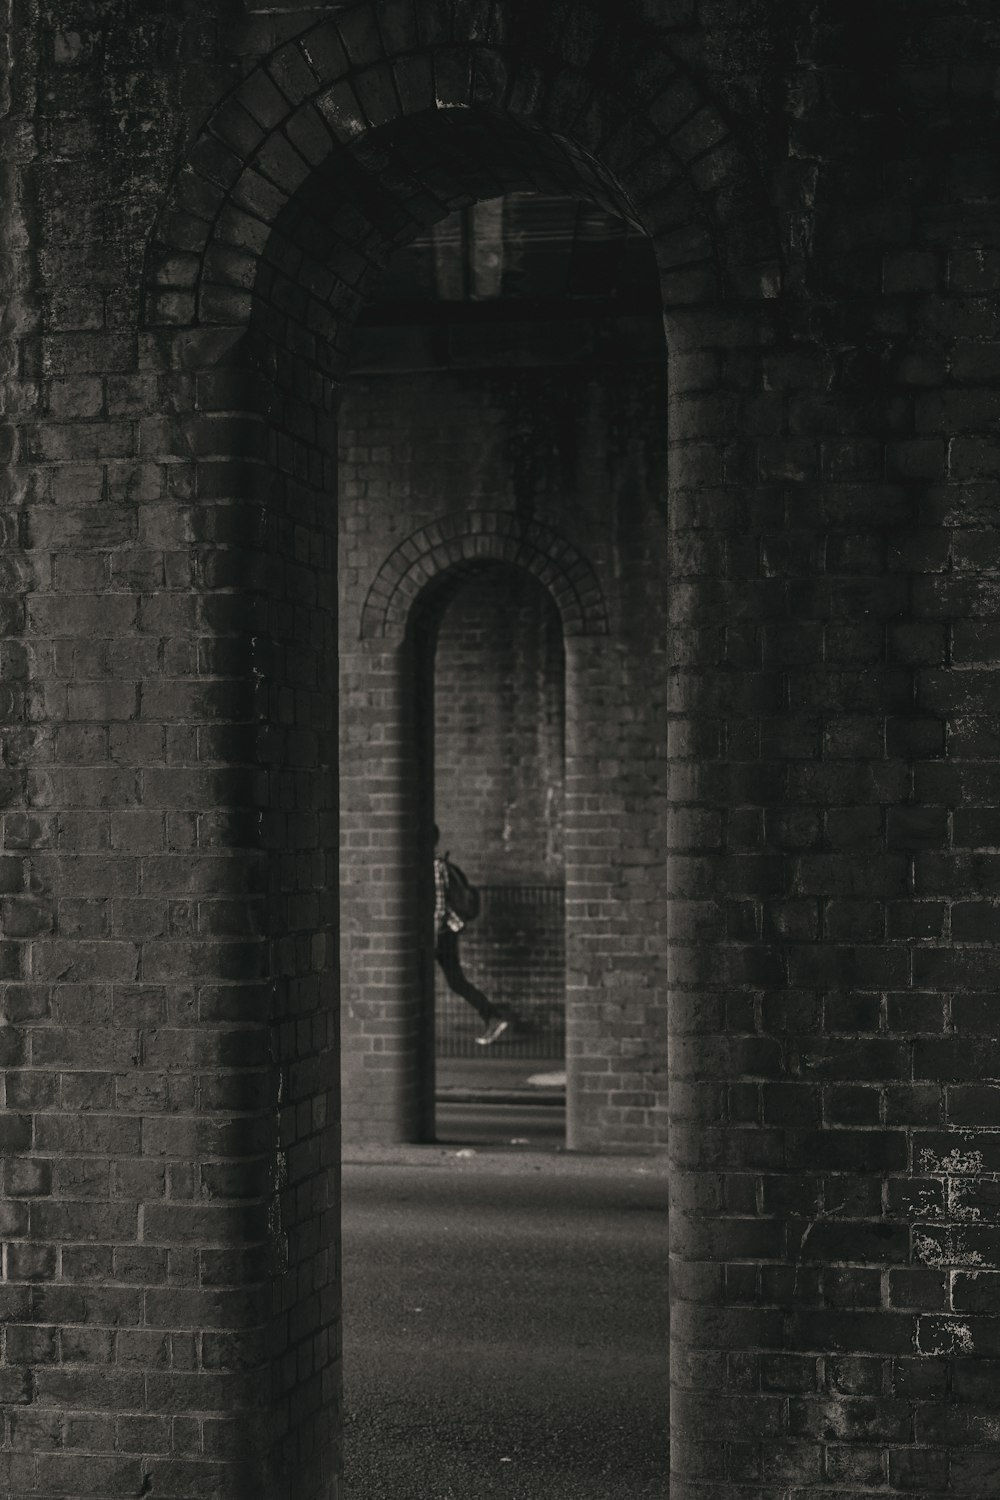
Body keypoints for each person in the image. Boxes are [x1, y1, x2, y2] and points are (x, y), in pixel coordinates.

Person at [433, 829, 510, 1046]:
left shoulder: (435, 867)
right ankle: (493, 1017)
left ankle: (493, 1017)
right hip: (443, 932)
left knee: (452, 980)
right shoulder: (435, 865)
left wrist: (433, 937)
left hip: (441, 933)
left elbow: (438, 908)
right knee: (456, 981)